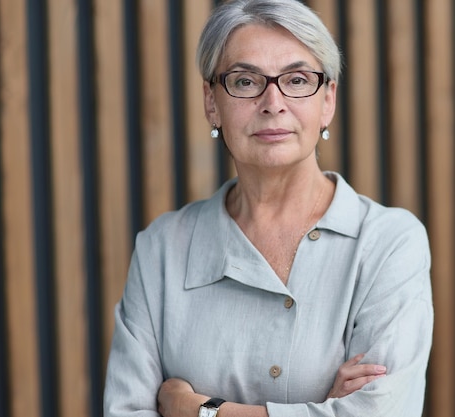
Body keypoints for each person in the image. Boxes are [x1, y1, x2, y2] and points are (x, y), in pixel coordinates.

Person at [103, 0, 433, 416]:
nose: (273, 102)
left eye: (297, 80)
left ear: (327, 100)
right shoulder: (162, 250)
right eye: (245, 82)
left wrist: (199, 411)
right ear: (211, 102)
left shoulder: (388, 242)